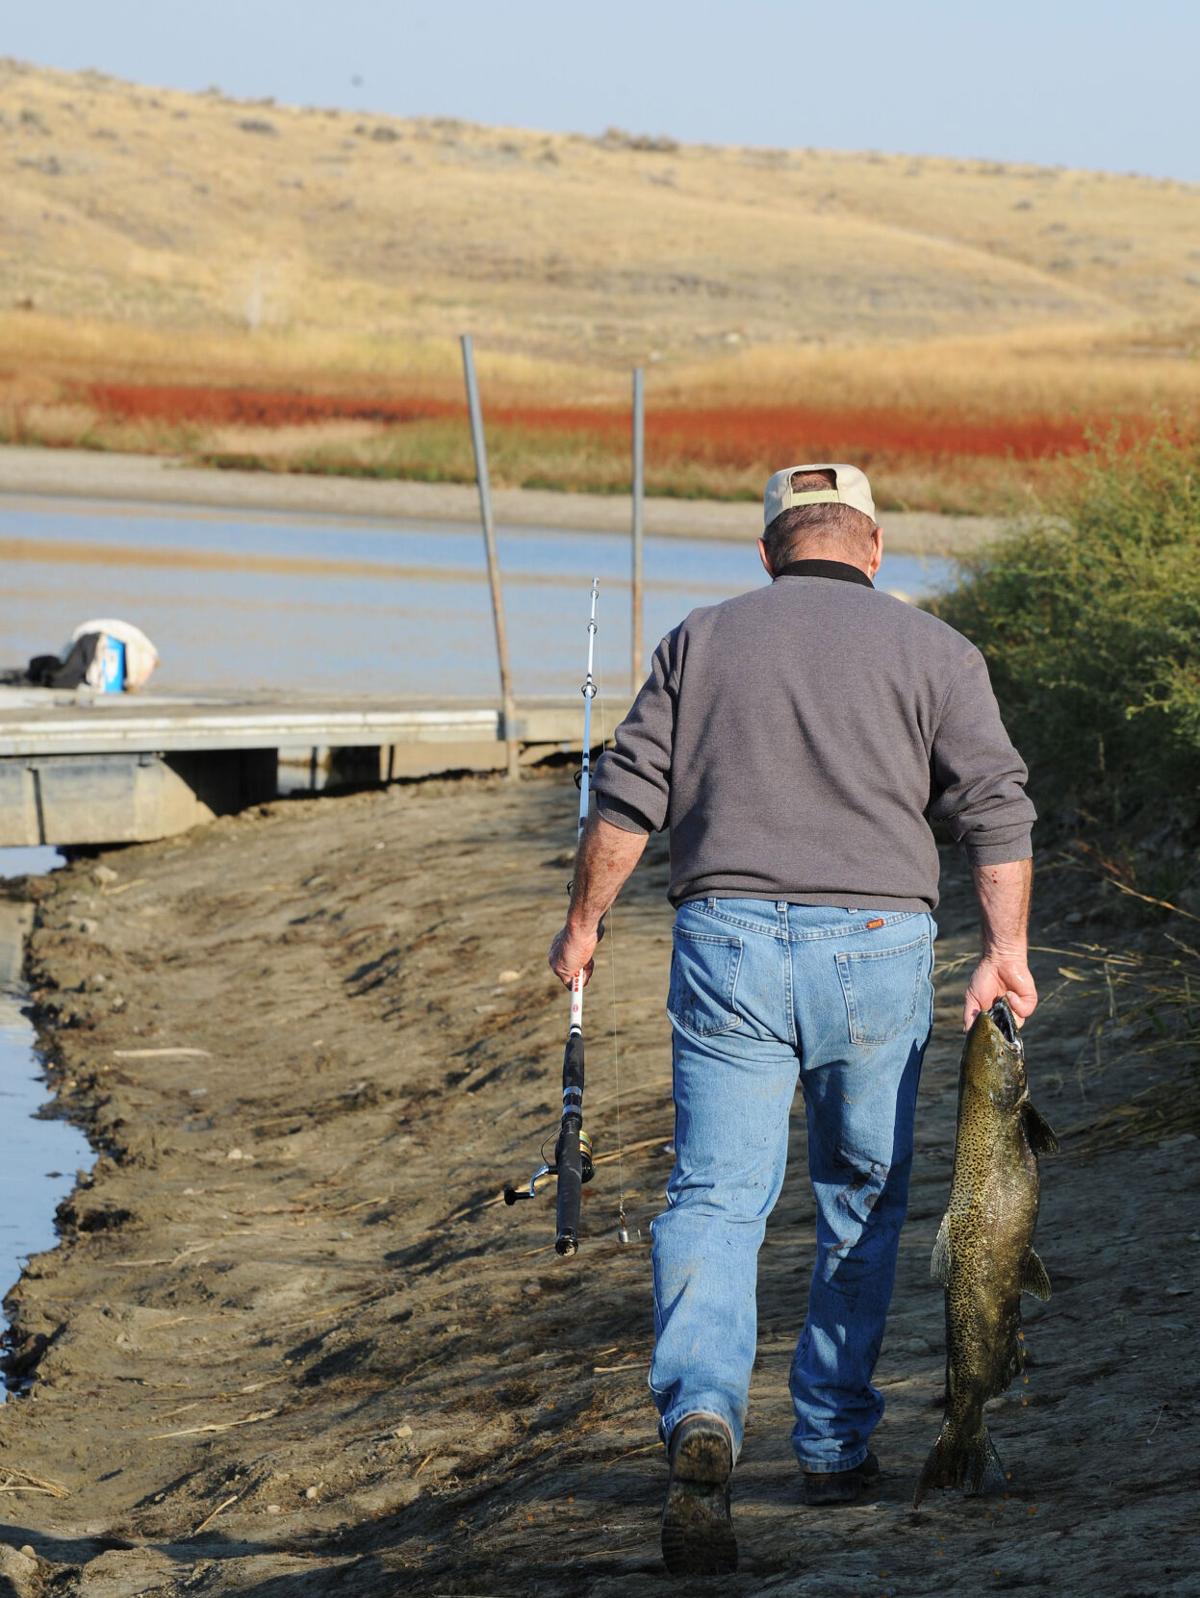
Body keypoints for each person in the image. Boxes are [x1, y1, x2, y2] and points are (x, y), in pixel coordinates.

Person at [547, 463, 1038, 1576]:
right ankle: (831, 1445)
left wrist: (583, 925)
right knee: (858, 1195)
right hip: (876, 948)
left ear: (767, 552)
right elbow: (996, 807)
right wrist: (1005, 952)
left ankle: (704, 1420)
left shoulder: (701, 638)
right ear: (874, 548)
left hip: (724, 940)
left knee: (717, 1194)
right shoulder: (937, 651)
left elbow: (627, 797)